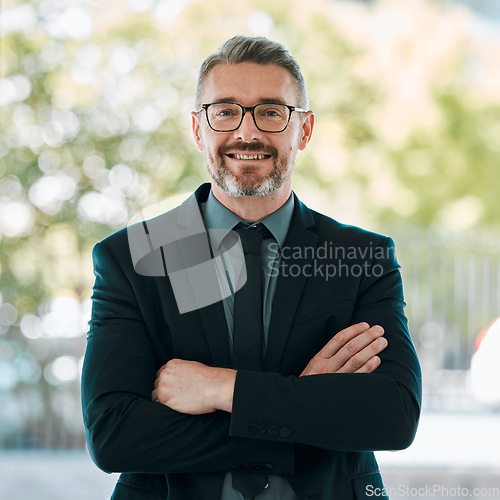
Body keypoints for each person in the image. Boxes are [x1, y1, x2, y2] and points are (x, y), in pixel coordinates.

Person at [81, 35, 422, 500]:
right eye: (224, 111)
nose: (247, 132)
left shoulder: (361, 257)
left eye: (271, 111)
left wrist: (223, 389)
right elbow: (114, 436)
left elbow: (393, 415)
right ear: (199, 129)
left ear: (303, 129)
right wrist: (300, 408)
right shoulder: (133, 257)